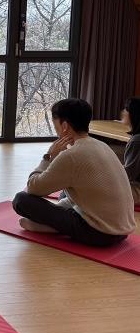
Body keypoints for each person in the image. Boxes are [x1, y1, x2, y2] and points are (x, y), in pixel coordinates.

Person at [13, 98, 136, 247]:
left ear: (64, 126)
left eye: (55, 123)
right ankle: (58, 223)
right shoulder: (102, 145)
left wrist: (48, 157)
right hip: (123, 231)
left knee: (21, 200)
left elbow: (33, 187)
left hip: (100, 234)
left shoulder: (71, 155)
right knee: (66, 191)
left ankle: (53, 227)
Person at [121, 97, 140, 205]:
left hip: (137, 190)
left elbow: (128, 175)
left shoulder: (136, 141)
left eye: (126, 109)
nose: (123, 112)